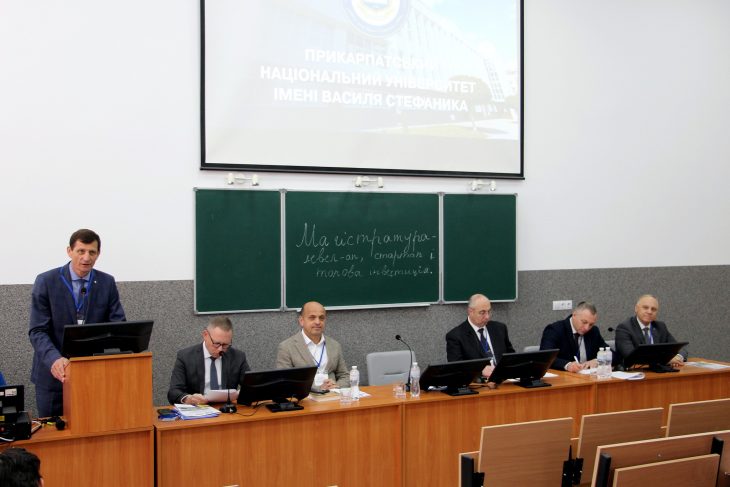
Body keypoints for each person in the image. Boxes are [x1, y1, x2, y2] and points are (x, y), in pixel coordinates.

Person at [29, 229, 126, 417]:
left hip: (93, 376)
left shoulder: (106, 282)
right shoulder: (46, 281)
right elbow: (37, 330)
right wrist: (54, 359)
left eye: (92, 252)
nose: (86, 258)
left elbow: (118, 326)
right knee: (54, 431)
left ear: (98, 254)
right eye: (81, 251)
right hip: (53, 377)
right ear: (69, 251)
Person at [167, 316, 250, 405]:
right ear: (205, 335)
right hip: (198, 408)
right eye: (217, 343)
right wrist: (188, 399)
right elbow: (173, 392)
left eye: (225, 345)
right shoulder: (185, 356)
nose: (220, 349)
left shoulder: (238, 357)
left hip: (227, 408)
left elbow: (250, 386)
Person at [276, 301, 349, 390]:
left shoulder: (335, 345)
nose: (318, 322)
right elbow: (284, 381)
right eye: (312, 317)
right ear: (301, 321)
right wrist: (318, 389)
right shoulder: (286, 347)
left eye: (321, 318)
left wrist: (336, 386)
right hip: (304, 397)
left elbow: (345, 375)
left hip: (332, 395)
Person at [446, 294, 515, 378]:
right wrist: (480, 371)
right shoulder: (456, 336)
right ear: (470, 311)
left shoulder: (499, 328)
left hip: (504, 380)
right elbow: (456, 368)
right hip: (479, 382)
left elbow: (511, 357)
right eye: (482, 313)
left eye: (489, 311)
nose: (487, 317)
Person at [540, 301, 617, 372]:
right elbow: (545, 357)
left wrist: (598, 360)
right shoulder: (555, 330)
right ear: (574, 315)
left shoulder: (593, 331)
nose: (587, 328)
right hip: (565, 377)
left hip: (588, 377)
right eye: (584, 322)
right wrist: (568, 365)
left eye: (591, 324)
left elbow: (613, 355)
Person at [615, 294, 688, 368]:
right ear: (636, 308)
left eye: (653, 309)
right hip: (634, 372)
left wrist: (678, 358)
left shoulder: (660, 326)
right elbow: (631, 356)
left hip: (658, 371)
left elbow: (680, 348)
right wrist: (667, 360)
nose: (649, 312)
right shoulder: (624, 328)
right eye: (645, 307)